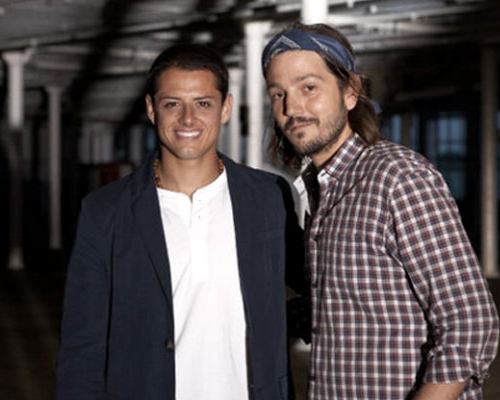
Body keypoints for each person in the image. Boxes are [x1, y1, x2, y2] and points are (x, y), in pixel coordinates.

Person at [262, 22, 499, 399]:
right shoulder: (321, 189)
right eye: (278, 94)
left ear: (350, 92)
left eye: (309, 88)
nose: (292, 108)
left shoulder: (398, 177)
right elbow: (363, 303)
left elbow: (470, 322)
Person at [56, 43, 304, 400]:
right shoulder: (105, 211)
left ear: (225, 108)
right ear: (151, 109)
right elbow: (82, 346)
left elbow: (317, 281)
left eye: (203, 103)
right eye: (173, 104)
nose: (188, 119)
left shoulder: (268, 197)